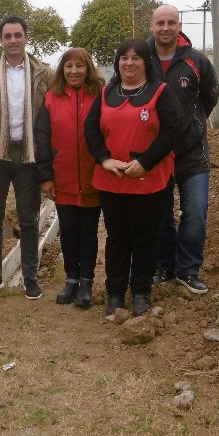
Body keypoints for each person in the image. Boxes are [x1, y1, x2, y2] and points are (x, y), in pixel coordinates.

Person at [84, 38, 182, 317]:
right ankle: (115, 293)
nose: (129, 63)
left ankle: (141, 292)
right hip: (112, 181)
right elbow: (91, 131)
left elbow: (171, 131)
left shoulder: (160, 92)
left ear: (145, 62)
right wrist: (104, 159)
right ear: (118, 63)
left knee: (145, 239)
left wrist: (145, 162)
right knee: (117, 238)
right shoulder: (106, 94)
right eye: (124, 58)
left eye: (135, 58)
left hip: (148, 183)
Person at [0, 16, 53, 301]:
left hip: (28, 157)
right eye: (7, 36)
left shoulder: (43, 73)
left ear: (26, 37)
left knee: (29, 219)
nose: (12, 40)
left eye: (17, 35)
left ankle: (30, 277)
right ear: (1, 39)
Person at [146, 4, 219, 294]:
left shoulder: (197, 62)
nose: (166, 28)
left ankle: (188, 270)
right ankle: (164, 266)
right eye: (160, 23)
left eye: (171, 23)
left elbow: (209, 97)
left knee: (195, 211)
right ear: (152, 26)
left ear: (179, 26)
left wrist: (193, 125)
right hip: (155, 154)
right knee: (161, 214)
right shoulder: (142, 59)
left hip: (192, 154)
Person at [35, 48, 104, 309]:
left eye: (79, 66)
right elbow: (42, 140)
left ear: (88, 69)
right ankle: (71, 279)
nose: (74, 71)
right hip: (62, 178)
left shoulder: (99, 96)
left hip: (91, 179)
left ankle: (87, 281)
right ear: (62, 70)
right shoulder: (51, 99)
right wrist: (46, 176)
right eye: (68, 66)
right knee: (68, 231)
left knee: (88, 232)